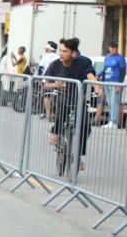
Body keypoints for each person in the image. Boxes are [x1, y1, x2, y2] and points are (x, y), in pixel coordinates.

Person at [44, 37, 98, 170]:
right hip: (61, 98)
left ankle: (78, 156)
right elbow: (44, 84)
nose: (61, 54)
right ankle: (56, 133)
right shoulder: (55, 65)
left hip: (78, 101)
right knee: (62, 104)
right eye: (60, 50)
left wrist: (97, 87)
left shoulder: (83, 62)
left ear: (73, 53)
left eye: (65, 51)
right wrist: (55, 84)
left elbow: (90, 75)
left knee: (86, 126)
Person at [96, 42, 125, 128]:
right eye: (112, 47)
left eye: (116, 47)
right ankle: (111, 120)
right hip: (107, 82)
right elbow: (105, 69)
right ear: (109, 48)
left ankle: (113, 122)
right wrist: (100, 78)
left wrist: (119, 84)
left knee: (114, 101)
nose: (114, 49)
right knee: (110, 102)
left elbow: (123, 72)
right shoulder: (107, 57)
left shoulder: (120, 58)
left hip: (115, 82)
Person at [38, 41, 60, 119]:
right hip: (57, 79)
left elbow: (40, 69)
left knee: (46, 96)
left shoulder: (45, 57)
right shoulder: (58, 57)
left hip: (46, 80)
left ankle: (48, 114)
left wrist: (40, 79)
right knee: (57, 96)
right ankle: (54, 114)